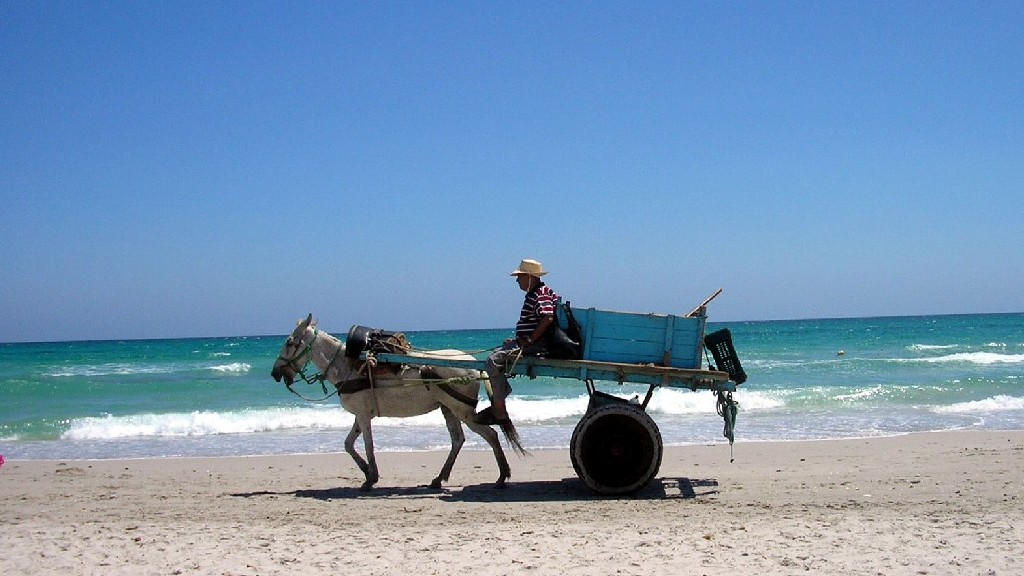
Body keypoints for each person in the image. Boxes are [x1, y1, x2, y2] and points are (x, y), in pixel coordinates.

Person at [474, 259, 560, 426]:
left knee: (492, 362)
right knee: (497, 354)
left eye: (520, 276)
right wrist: (518, 340)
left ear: (529, 277)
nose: (517, 280)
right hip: (531, 342)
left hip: (538, 345)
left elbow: (548, 317)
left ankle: (499, 410)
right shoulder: (537, 292)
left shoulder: (540, 293)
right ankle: (500, 400)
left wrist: (529, 340)